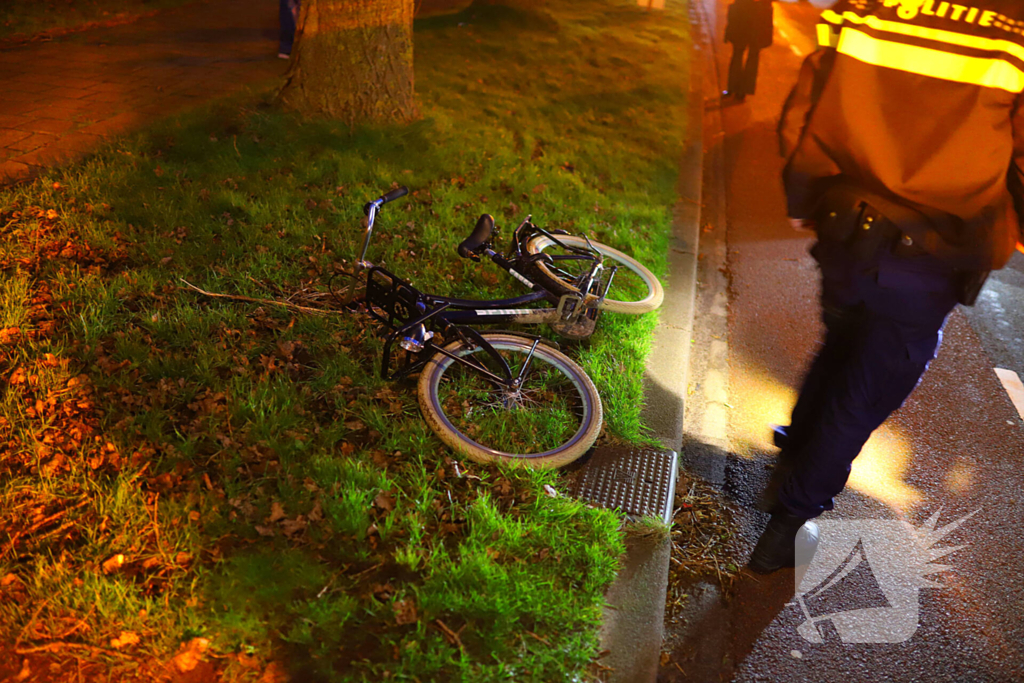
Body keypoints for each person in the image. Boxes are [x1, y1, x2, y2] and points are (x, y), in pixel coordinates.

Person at [749, 0, 1024, 573]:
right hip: (932, 253)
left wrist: (805, 202)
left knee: (842, 337)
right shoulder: (1012, 39)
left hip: (847, 224)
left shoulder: (865, 13)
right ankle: (787, 524)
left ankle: (797, 446)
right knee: (870, 386)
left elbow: (802, 112)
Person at [723, 0, 774, 101]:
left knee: (738, 54)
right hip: (759, 16)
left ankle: (732, 88)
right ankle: (743, 91)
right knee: (752, 57)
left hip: (743, 14)